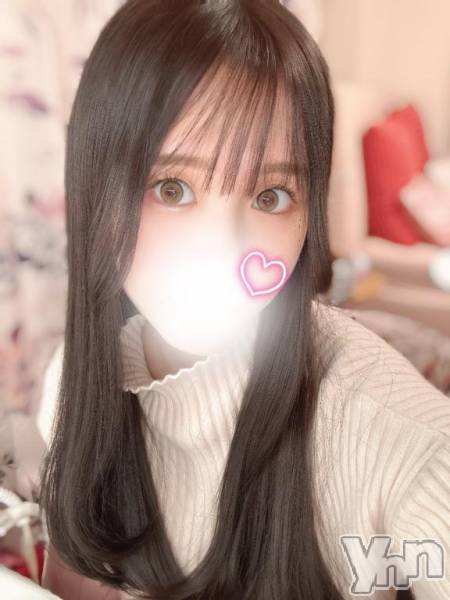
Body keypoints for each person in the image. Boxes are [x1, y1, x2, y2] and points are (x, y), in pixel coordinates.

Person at [36, 1, 450, 599]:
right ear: (94, 185)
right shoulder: (71, 383)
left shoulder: (400, 438)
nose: (221, 249)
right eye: (171, 188)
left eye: (271, 196)